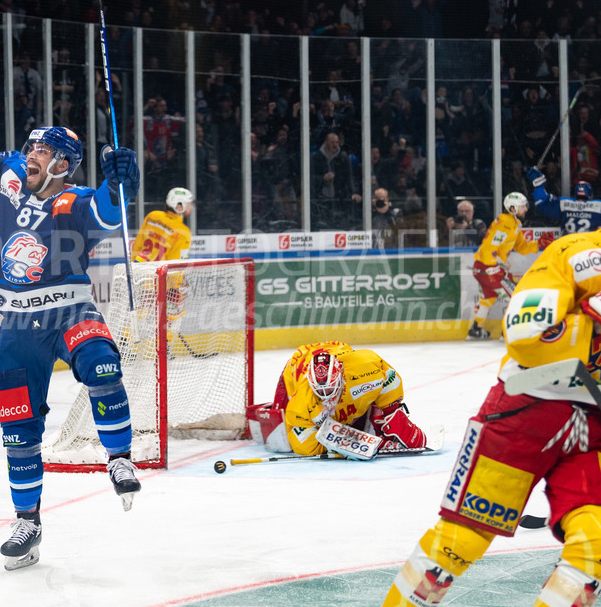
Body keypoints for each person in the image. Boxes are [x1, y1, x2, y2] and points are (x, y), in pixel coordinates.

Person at [0, 62, 142, 571]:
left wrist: (123, 183)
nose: (32, 154)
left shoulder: (75, 201)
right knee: (19, 429)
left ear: (65, 164)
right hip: (16, 330)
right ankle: (27, 522)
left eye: (44, 150)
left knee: (102, 365)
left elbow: (109, 213)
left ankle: (118, 458)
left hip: (71, 311)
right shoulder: (8, 178)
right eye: (32, 147)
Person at [382, 229, 601, 607]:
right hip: (527, 409)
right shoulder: (577, 252)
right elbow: (525, 332)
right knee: (460, 541)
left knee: (595, 545)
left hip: (591, 429)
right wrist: (592, 331)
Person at [250, 341, 427, 457]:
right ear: (311, 384)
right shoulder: (303, 397)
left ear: (341, 376)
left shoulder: (366, 368)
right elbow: (302, 445)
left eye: (330, 388)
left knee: (357, 415)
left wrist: (391, 411)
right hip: (296, 366)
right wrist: (340, 447)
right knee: (283, 442)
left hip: (339, 351)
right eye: (320, 391)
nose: (326, 395)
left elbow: (389, 378)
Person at [466, 192, 549, 341]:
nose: (526, 209)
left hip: (486, 268)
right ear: (512, 208)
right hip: (487, 269)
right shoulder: (505, 223)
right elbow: (488, 248)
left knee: (487, 299)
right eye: (522, 206)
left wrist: (538, 244)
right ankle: (508, 333)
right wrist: (493, 268)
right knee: (517, 296)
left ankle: (476, 330)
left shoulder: (515, 224)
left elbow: (522, 247)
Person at [527, 166, 601, 235]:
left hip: (568, 243)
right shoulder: (598, 205)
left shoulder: (564, 203)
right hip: (590, 245)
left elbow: (542, 202)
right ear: (590, 194)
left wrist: (538, 183)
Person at [131, 187, 193, 262]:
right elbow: (176, 267)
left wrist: (133, 267)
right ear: (179, 206)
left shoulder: (153, 216)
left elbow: (137, 245)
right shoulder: (183, 231)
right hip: (158, 272)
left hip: (139, 268)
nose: (191, 207)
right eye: (189, 204)